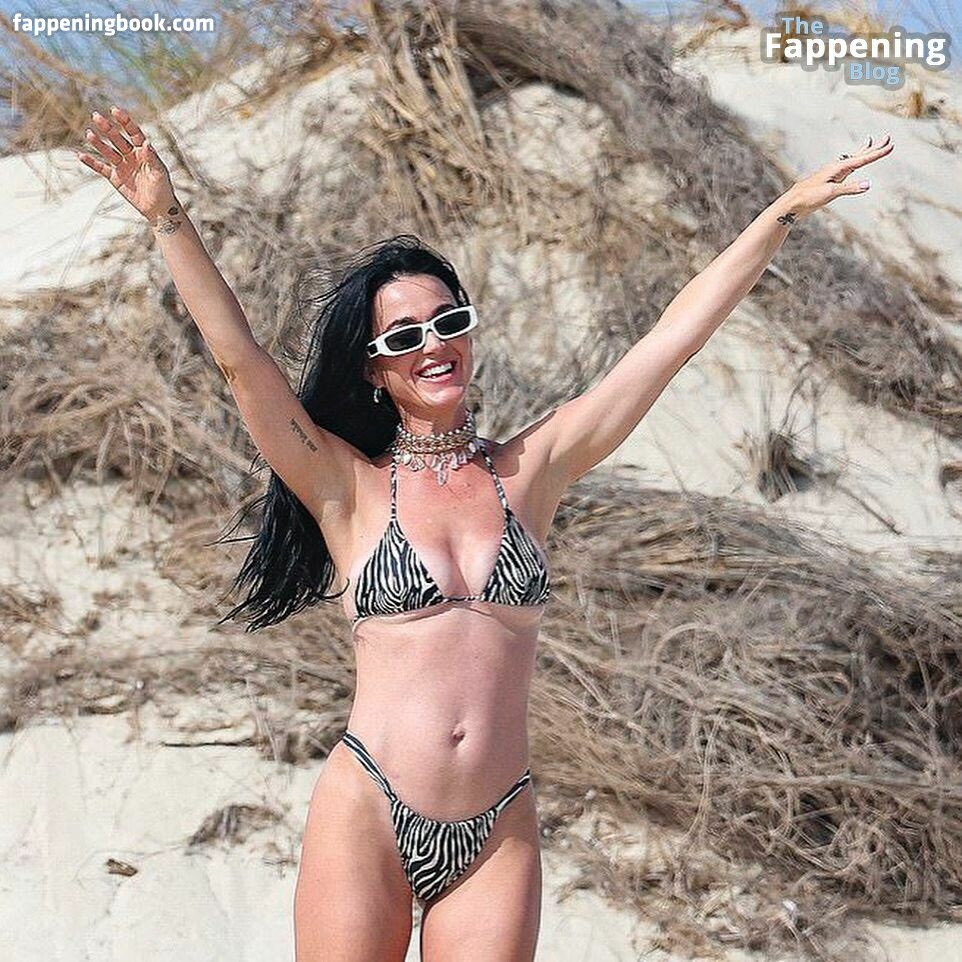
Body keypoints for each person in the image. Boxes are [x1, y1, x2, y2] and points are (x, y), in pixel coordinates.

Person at [78, 104, 893, 961]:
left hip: (498, 828)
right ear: (374, 368)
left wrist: (780, 213)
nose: (433, 345)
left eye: (450, 322)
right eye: (405, 336)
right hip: (369, 810)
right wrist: (168, 217)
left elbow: (667, 345)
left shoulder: (531, 472)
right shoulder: (347, 487)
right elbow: (240, 360)